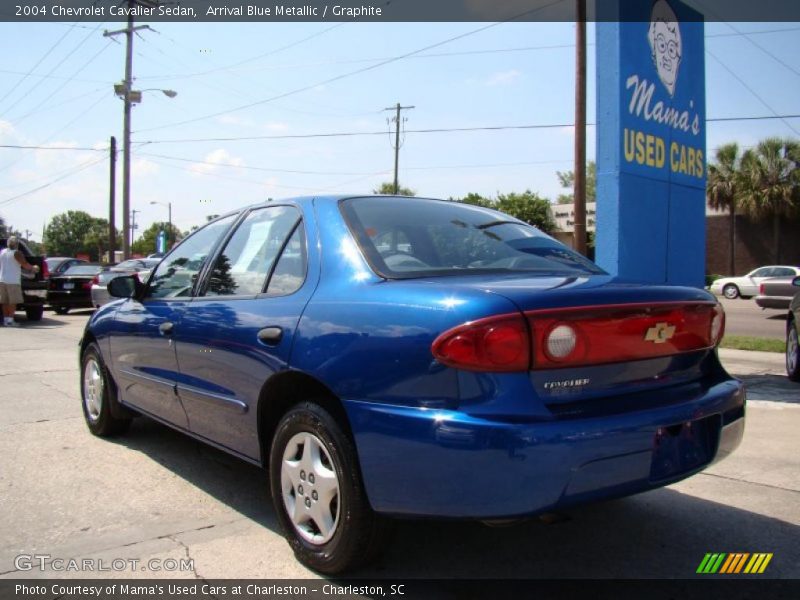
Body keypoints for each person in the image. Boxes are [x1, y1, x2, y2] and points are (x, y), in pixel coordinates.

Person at [0, 236, 39, 327]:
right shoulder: (17, 253)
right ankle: (10, 320)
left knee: (4, 301)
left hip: (2, 280)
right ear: (16, 244)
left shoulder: (2, 252)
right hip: (12, 281)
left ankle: (6, 320)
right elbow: (25, 264)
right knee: (12, 302)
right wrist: (34, 268)